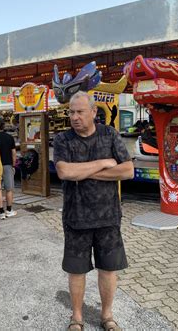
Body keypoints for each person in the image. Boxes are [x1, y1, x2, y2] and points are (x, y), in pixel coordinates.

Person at [53, 92, 134, 331]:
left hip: (108, 216)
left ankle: (107, 316)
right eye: (71, 112)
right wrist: (103, 163)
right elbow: (65, 172)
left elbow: (128, 170)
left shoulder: (109, 135)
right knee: (76, 271)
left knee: (108, 269)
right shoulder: (63, 139)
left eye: (79, 112)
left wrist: (83, 172)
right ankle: (77, 317)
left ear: (93, 113)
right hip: (76, 217)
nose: (74, 117)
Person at [0, 117, 17, 220]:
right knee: (9, 189)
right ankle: (9, 210)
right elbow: (13, 153)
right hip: (7, 165)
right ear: (3, 126)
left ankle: (1, 212)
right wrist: (13, 165)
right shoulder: (9, 138)